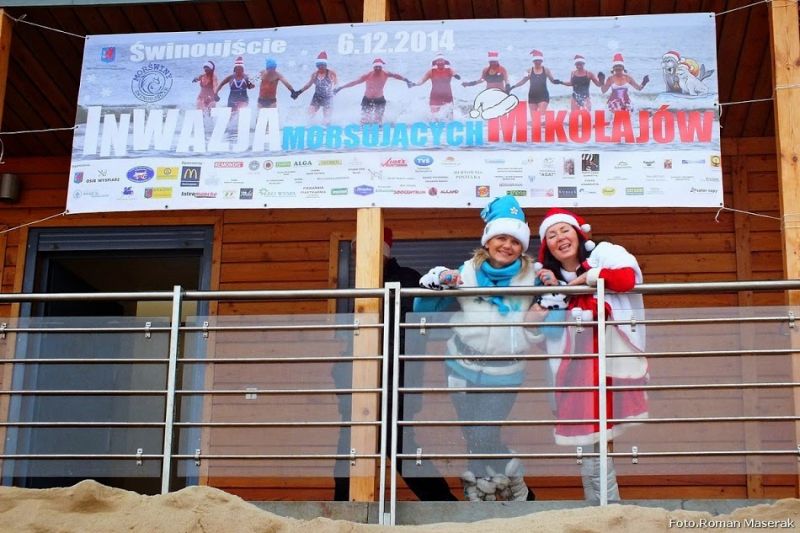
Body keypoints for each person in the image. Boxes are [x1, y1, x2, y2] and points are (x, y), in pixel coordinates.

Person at [414, 195, 541, 502]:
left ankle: (516, 482)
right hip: (459, 366)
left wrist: (536, 325)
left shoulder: (534, 277)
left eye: (515, 241)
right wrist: (436, 282)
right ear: (488, 240)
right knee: (472, 434)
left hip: (506, 371)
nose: (507, 245)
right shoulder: (467, 271)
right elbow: (422, 309)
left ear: (522, 246)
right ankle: (482, 494)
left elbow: (550, 319)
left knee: (484, 433)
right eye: (501, 238)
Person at [533, 208, 648, 504]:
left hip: (609, 362)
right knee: (585, 442)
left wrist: (588, 277)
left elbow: (626, 279)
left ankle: (606, 506)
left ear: (579, 233)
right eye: (552, 235)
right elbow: (539, 333)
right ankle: (599, 507)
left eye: (565, 230)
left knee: (601, 437)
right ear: (547, 247)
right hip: (571, 369)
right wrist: (544, 308)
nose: (560, 238)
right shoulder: (547, 283)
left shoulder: (604, 253)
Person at [333, 228, 456, 502]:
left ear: (382, 252)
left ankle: (444, 505)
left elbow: (411, 334)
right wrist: (342, 374)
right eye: (355, 251)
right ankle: (444, 505)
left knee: (400, 452)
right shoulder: (363, 286)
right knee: (353, 458)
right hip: (361, 389)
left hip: (394, 385)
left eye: (363, 249)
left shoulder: (407, 280)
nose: (359, 256)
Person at [333, 58, 414, 124]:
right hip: (367, 99)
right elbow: (354, 82)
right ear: (373, 67)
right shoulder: (367, 75)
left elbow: (397, 76)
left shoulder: (386, 73)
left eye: (379, 67)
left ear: (382, 67)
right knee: (365, 120)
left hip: (379, 99)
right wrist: (341, 88)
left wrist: (407, 80)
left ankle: (379, 132)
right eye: (376, 67)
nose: (378, 68)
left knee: (378, 121)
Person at [509, 50, 560, 118]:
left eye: (539, 61)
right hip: (532, 96)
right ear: (533, 61)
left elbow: (552, 81)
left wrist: (559, 82)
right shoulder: (528, 71)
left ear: (541, 61)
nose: (537, 62)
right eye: (536, 61)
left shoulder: (546, 70)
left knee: (541, 116)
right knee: (534, 118)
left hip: (543, 95)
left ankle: (544, 123)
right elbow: (523, 81)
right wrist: (513, 87)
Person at [294, 51, 338, 125]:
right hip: (317, 97)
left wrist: (336, 89)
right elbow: (308, 85)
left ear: (325, 65)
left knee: (327, 119)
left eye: (322, 65)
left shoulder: (330, 73)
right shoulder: (314, 74)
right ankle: (308, 125)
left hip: (328, 97)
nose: (320, 67)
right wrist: (299, 92)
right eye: (318, 65)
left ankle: (326, 127)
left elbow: (336, 82)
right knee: (309, 114)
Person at [413, 53, 461, 121]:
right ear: (436, 62)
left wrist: (456, 76)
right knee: (434, 117)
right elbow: (422, 80)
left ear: (444, 62)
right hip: (435, 96)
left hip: (447, 96)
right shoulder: (431, 71)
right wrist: (415, 84)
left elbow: (454, 73)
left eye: (441, 60)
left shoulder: (449, 70)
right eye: (438, 61)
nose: (440, 62)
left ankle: (450, 125)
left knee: (449, 116)